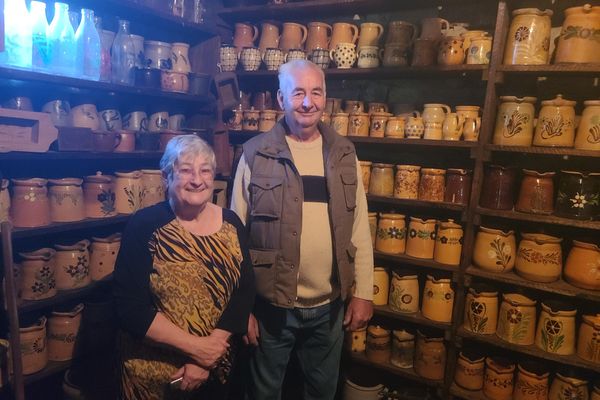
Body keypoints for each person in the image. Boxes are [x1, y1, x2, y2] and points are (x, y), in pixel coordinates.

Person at [231, 59, 374, 400]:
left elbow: (359, 228)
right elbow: (233, 237)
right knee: (263, 391)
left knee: (321, 392)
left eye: (315, 92)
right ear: (281, 100)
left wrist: (364, 292)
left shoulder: (344, 154)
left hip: (329, 308)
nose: (308, 102)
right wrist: (241, 307)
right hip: (271, 307)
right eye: (298, 93)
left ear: (325, 98)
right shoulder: (255, 154)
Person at [114, 135, 255, 399]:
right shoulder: (144, 226)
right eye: (186, 170)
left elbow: (244, 290)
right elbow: (129, 309)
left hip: (217, 364)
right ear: (166, 176)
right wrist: (197, 349)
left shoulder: (232, 223)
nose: (197, 180)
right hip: (158, 374)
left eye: (205, 170)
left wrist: (207, 356)